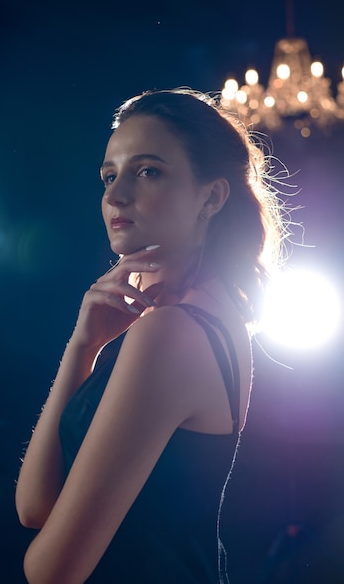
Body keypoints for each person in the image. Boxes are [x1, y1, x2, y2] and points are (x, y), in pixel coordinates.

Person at [15, 88, 285, 584]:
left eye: (148, 171)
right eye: (109, 176)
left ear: (212, 196)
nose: (116, 195)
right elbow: (34, 507)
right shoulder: (204, 317)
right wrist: (84, 346)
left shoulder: (171, 332)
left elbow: (49, 571)